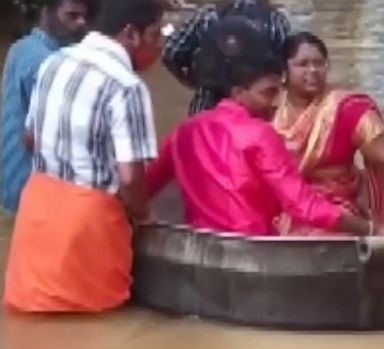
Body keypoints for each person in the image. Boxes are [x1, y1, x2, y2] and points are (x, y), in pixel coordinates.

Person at [145, 18, 375, 237]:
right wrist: (369, 229)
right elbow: (304, 206)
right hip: (255, 246)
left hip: (202, 240)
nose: (276, 102)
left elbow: (144, 185)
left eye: (277, 92)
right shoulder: (260, 133)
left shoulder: (183, 131)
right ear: (237, 93)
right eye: (268, 93)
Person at [3, 0, 163, 313]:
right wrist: (144, 218)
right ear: (131, 34)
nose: (159, 47)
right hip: (87, 229)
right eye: (156, 36)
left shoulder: (53, 62)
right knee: (96, 328)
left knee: (34, 331)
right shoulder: (127, 86)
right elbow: (130, 177)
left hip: (37, 217)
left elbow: (29, 137)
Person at [273, 32, 384, 235]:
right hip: (282, 203)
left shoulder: (349, 107)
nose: (313, 70)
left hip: (336, 206)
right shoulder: (268, 107)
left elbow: (381, 158)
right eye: (303, 64)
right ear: (284, 70)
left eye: (319, 63)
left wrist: (377, 216)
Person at [0, 0, 96, 214]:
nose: (81, 23)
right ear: (48, 11)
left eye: (84, 17)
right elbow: (40, 135)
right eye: (72, 15)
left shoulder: (20, 47)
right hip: (31, 186)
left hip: (9, 177)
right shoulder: (50, 62)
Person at [162, 0, 291, 116]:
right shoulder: (276, 22)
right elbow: (288, 68)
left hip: (206, 108)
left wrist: (190, 81)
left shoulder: (207, 15)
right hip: (255, 112)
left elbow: (170, 53)